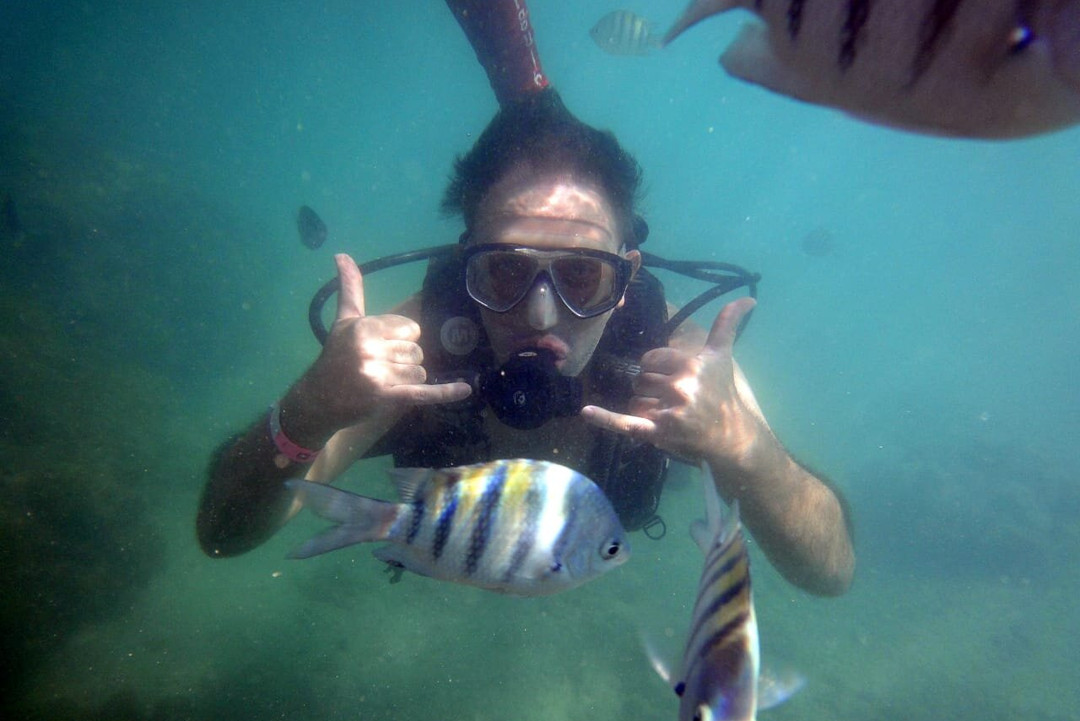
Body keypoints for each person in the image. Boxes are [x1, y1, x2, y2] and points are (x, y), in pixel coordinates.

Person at [196, 86, 854, 597]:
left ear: (627, 280)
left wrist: (748, 454)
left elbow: (831, 571)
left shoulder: (676, 357)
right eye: (505, 270)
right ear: (465, 266)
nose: (541, 314)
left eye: (582, 276)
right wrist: (306, 409)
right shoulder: (414, 351)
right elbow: (223, 535)